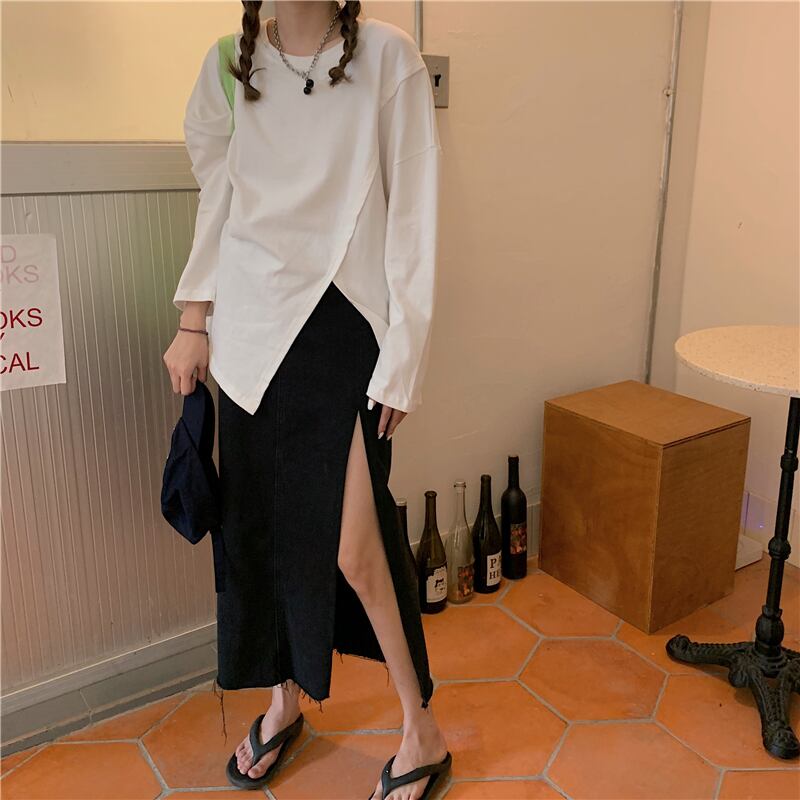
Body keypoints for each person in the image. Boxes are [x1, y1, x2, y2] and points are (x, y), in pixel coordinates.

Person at [162, 2, 450, 798]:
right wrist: (194, 319)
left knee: (356, 549)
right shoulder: (228, 61)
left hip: (341, 326)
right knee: (260, 534)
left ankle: (421, 729)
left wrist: (405, 356)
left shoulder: (386, 55)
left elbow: (415, 210)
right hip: (249, 331)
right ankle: (284, 702)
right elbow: (219, 199)